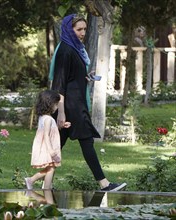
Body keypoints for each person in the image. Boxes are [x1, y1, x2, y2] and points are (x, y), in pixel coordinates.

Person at [50, 14, 127, 191]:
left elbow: (71, 77)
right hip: (70, 107)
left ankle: (38, 181)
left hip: (76, 104)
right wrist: (61, 113)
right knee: (86, 141)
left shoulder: (75, 49)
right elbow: (59, 85)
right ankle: (104, 184)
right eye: (79, 29)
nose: (83, 33)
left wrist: (84, 77)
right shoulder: (65, 50)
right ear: (69, 30)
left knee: (57, 146)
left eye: (85, 29)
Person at [24, 90, 70, 190]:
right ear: (49, 104)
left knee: (50, 168)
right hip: (48, 147)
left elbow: (50, 131)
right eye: (56, 104)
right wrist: (52, 152)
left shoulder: (43, 117)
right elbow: (46, 135)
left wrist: (61, 126)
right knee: (51, 168)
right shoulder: (48, 119)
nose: (57, 107)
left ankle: (31, 180)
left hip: (44, 146)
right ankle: (47, 190)